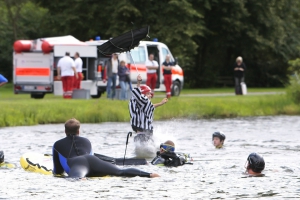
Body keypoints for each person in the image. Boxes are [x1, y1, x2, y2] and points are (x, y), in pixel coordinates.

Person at [52, 118, 159, 178]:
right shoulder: (87, 141)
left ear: (65, 131)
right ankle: (150, 174)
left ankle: (81, 179)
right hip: (94, 161)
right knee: (120, 172)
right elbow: (90, 156)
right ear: (78, 131)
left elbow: (58, 171)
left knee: (77, 178)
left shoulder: (57, 145)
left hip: (77, 165)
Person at [129, 74, 168, 142]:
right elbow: (138, 95)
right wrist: (138, 82)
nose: (150, 95)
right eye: (148, 94)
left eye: (150, 94)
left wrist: (160, 103)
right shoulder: (141, 99)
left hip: (146, 132)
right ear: (143, 94)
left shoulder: (144, 103)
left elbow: (150, 106)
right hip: (142, 133)